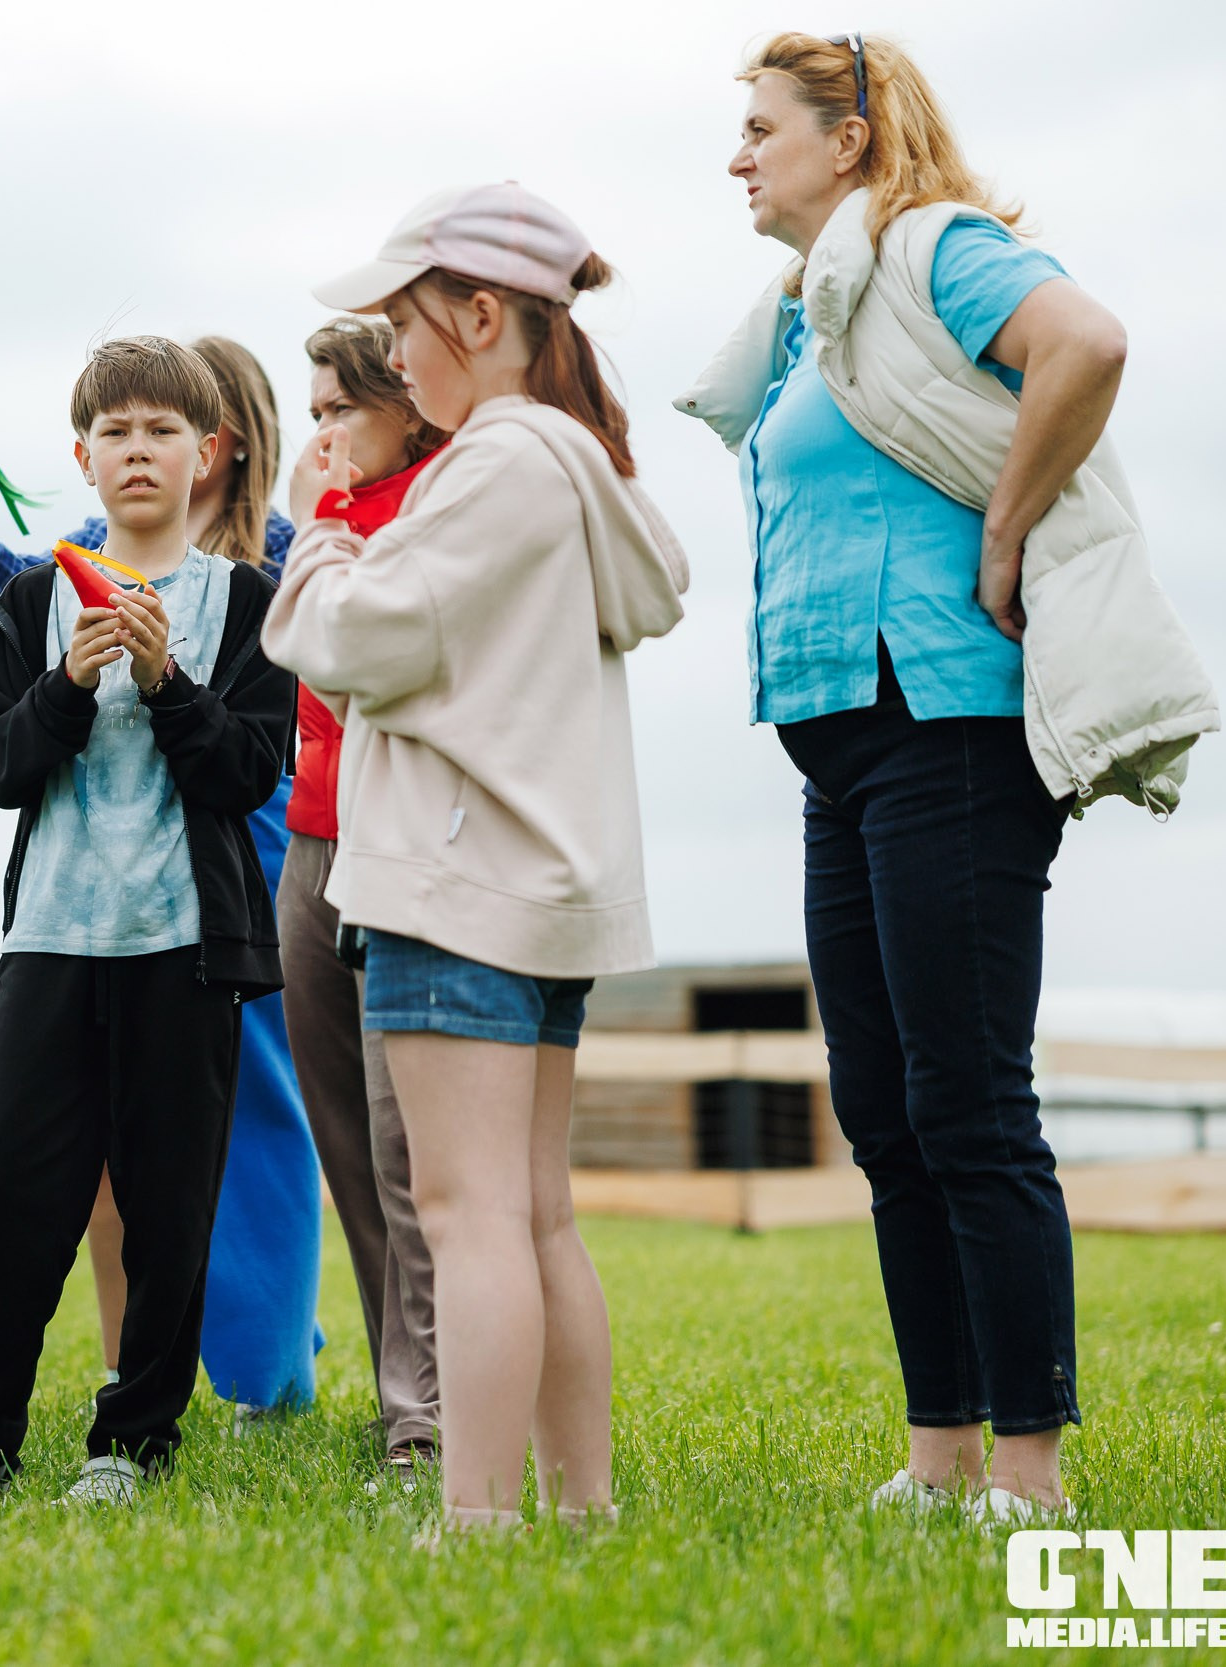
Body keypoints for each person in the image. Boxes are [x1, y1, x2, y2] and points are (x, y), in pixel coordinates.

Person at [677, 34, 1215, 1522]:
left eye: (762, 128)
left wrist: (1005, 530)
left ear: (850, 138)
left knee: (969, 1099)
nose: (738, 156)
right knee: (884, 1109)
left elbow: (1086, 343)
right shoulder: (811, 311)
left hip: (947, 722)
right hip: (840, 739)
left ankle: (1030, 1478)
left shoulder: (930, 246)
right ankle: (941, 1459)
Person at [265, 183, 688, 1535]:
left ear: (484, 316)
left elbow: (352, 639)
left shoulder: (495, 464)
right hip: (535, 880)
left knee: (466, 1214)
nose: (395, 358)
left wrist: (321, 537)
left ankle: (479, 1518)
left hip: (453, 881)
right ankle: (580, 1510)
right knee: (534, 1211)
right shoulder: (570, 463)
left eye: (406, 326)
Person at [0, 336, 293, 1505]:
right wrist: (66, 684)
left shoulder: (245, 603)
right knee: (3, 1194)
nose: (137, 451)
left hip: (185, 949)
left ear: (207, 453)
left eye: (162, 431)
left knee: (168, 1209)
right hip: (51, 940)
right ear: (81, 457)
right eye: (115, 432)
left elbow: (250, 771)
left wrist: (165, 683)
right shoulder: (29, 600)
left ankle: (131, 1445)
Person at [278, 318, 452, 1481]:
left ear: (405, 403)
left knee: (406, 1145)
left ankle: (426, 1416)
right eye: (316, 411)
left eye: (341, 407)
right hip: (310, 840)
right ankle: (407, 1390)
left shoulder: (433, 511)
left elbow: (354, 668)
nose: (324, 431)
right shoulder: (328, 519)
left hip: (402, 848)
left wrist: (317, 529)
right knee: (344, 1138)